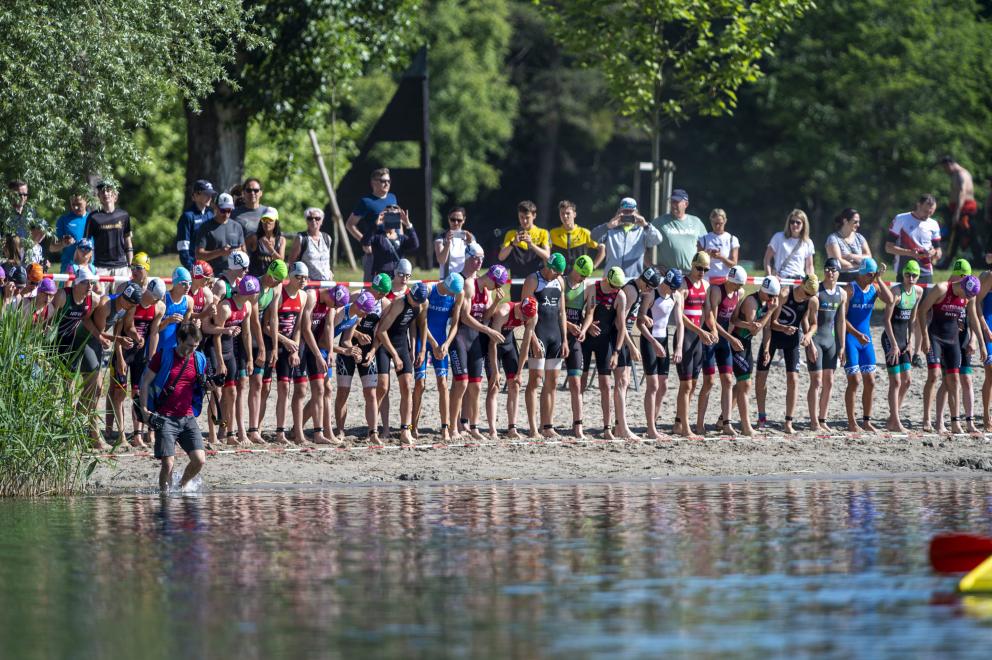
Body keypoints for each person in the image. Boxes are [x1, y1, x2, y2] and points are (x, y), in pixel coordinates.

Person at [139, 323, 208, 492]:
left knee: (199, 460)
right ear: (179, 340)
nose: (192, 349)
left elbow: (201, 385)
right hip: (165, 417)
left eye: (196, 346)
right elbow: (145, 382)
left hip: (187, 417)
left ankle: (181, 486)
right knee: (168, 463)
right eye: (189, 345)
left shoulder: (199, 359)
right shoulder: (163, 356)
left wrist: (210, 387)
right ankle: (165, 497)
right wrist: (143, 409)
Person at [918, 267, 983, 434]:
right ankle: (926, 419)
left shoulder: (968, 297)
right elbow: (922, 311)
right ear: (961, 285)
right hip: (935, 337)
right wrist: (924, 337)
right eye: (966, 295)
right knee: (934, 376)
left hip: (952, 340)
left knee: (954, 381)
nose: (966, 299)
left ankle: (955, 423)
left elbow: (973, 319)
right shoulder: (941, 288)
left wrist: (981, 343)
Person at [756, 273, 820, 434]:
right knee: (761, 377)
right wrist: (783, 329)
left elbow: (813, 324)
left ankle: (788, 421)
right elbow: (772, 323)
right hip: (774, 337)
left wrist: (809, 337)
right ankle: (761, 418)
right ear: (802, 284)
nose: (807, 297)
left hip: (792, 339)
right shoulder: (785, 294)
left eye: (811, 295)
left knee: (793, 379)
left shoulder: (812, 300)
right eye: (806, 293)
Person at [448, 263, 506, 439]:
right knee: (461, 384)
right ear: (491, 278)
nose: (497, 288)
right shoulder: (469, 285)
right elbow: (465, 317)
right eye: (497, 284)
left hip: (476, 340)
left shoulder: (487, 291)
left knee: (476, 386)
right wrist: (488, 330)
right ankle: (453, 427)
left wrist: (495, 302)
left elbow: (485, 316)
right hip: (461, 337)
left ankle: (474, 427)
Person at [110, 278, 167, 447]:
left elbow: (154, 333)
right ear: (147, 291)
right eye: (152, 297)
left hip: (139, 355)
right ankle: (121, 435)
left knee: (138, 394)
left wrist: (152, 358)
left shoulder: (159, 307)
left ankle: (137, 436)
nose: (154, 301)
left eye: (157, 299)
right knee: (119, 394)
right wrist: (119, 357)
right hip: (123, 352)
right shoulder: (133, 301)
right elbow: (119, 331)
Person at [577, 266, 633, 439]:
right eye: (614, 286)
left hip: (605, 343)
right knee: (581, 383)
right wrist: (586, 326)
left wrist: (616, 352)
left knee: (606, 385)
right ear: (608, 280)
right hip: (587, 341)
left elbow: (622, 327)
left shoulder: (620, 296)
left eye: (619, 287)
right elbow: (579, 313)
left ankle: (607, 427)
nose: (616, 289)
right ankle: (578, 424)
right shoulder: (592, 288)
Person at [886, 194, 941, 366]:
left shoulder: (933, 224)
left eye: (931, 212)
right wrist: (910, 253)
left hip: (925, 272)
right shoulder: (901, 219)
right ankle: (899, 346)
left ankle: (916, 353)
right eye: (925, 211)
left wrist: (933, 253)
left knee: (923, 313)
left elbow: (939, 252)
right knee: (903, 312)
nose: (928, 215)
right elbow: (888, 247)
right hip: (905, 271)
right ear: (918, 205)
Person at [843, 258, 894, 433]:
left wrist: (879, 279)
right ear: (861, 273)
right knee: (854, 381)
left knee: (870, 381)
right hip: (851, 339)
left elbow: (890, 300)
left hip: (866, 341)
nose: (872, 278)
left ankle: (866, 421)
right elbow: (841, 319)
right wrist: (857, 335)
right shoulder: (850, 289)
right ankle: (851, 422)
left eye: (874, 275)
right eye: (870, 275)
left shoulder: (874, 288)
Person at [521, 253, 568, 438]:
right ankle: (533, 428)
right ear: (548, 266)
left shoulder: (559, 282)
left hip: (555, 335)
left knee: (553, 382)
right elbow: (525, 314)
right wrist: (532, 339)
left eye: (560, 273)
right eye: (556, 272)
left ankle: (547, 426)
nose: (558, 276)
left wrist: (564, 339)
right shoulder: (533, 280)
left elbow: (562, 312)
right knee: (535, 380)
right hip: (538, 333)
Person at [207, 274, 258, 445]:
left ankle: (229, 433)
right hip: (217, 351)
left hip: (231, 352)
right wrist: (220, 361)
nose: (257, 296)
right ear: (248, 293)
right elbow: (216, 335)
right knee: (216, 393)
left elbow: (246, 334)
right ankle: (213, 434)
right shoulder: (226, 307)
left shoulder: (247, 306)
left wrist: (250, 358)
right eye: (255, 293)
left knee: (232, 393)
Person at [412, 273, 464, 441]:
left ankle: (445, 428)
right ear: (446, 285)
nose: (451, 295)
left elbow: (455, 324)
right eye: (450, 292)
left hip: (441, 340)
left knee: (443, 383)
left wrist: (447, 343)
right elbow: (421, 322)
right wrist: (433, 344)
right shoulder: (429, 289)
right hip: (424, 339)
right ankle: (413, 426)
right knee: (420, 384)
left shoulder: (458, 294)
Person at [376, 281, 429, 445]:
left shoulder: (422, 303)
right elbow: (381, 331)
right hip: (385, 344)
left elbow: (419, 324)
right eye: (414, 300)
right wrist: (395, 355)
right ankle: (377, 429)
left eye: (418, 302)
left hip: (402, 344)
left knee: (407, 386)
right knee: (383, 387)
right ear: (409, 294)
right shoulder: (399, 303)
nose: (415, 304)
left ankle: (405, 430)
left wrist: (418, 349)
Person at [699, 265, 747, 435]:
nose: (739, 288)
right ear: (729, 280)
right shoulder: (716, 291)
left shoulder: (739, 293)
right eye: (737, 284)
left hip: (724, 340)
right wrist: (731, 338)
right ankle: (699, 423)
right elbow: (712, 320)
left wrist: (746, 326)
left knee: (727, 380)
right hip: (711, 338)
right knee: (709, 381)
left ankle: (726, 423)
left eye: (741, 285)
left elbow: (733, 319)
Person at [730, 276, 780, 436]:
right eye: (770, 296)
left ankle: (724, 418)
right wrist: (770, 311)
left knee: (741, 384)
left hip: (746, 344)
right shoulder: (752, 302)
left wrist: (766, 349)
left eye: (775, 296)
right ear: (763, 292)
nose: (773, 299)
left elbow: (767, 329)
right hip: (737, 343)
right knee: (745, 384)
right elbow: (755, 329)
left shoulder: (767, 302)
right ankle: (746, 427)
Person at [637, 269, 684, 438]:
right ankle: (651, 429)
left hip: (663, 340)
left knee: (663, 386)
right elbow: (640, 321)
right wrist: (654, 342)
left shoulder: (676, 296)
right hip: (649, 340)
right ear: (666, 283)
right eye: (672, 288)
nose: (674, 291)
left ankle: (653, 423)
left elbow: (680, 323)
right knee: (653, 385)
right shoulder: (652, 294)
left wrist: (678, 347)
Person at [674, 252, 717, 436]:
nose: (702, 272)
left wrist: (713, 329)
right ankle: (685, 428)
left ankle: (679, 423)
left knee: (692, 383)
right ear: (692, 265)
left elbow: (708, 312)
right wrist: (700, 331)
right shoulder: (683, 285)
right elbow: (680, 316)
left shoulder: (705, 285)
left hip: (698, 339)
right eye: (699, 268)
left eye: (706, 270)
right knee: (685, 385)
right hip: (685, 337)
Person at [485, 296, 538, 440]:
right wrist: (495, 371)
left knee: (515, 385)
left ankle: (512, 428)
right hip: (493, 345)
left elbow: (525, 344)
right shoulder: (503, 312)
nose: (524, 319)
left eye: (527, 317)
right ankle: (492, 430)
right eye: (523, 316)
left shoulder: (532, 315)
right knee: (494, 386)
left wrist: (519, 372)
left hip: (509, 344)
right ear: (519, 307)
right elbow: (492, 343)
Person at [335, 289, 384, 445]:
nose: (382, 295)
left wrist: (372, 352)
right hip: (346, 350)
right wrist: (356, 338)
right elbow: (345, 334)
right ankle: (340, 430)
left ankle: (373, 433)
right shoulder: (355, 298)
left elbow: (381, 333)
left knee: (371, 393)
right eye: (381, 292)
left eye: (385, 293)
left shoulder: (385, 303)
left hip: (366, 352)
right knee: (343, 392)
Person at [880, 260, 923, 432]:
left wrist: (910, 341)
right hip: (890, 338)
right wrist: (893, 344)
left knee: (908, 381)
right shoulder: (896, 292)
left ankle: (893, 417)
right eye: (908, 274)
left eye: (914, 275)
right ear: (903, 275)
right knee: (896, 381)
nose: (911, 278)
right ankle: (896, 421)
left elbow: (912, 320)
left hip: (904, 340)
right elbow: (886, 320)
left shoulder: (918, 292)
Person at [807, 258, 848, 432]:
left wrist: (842, 345)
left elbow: (841, 321)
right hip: (816, 340)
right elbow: (806, 319)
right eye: (827, 269)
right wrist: (809, 343)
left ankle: (823, 419)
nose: (830, 272)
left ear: (838, 272)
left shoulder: (842, 293)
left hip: (830, 341)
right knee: (816, 381)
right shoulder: (816, 291)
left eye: (833, 269)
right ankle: (814, 421)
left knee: (829, 382)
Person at [346, 168, 399, 282]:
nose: (387, 184)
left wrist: (400, 240)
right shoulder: (366, 201)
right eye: (383, 181)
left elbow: (397, 223)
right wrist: (365, 242)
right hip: (375, 253)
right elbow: (350, 224)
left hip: (392, 250)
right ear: (373, 182)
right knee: (372, 288)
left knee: (395, 287)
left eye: (389, 181)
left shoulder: (392, 197)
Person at [590, 197, 662, 278]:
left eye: (630, 211)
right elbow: (593, 236)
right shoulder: (610, 229)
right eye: (625, 211)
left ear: (636, 212)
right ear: (619, 211)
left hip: (633, 279)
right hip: (611, 278)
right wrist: (608, 226)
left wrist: (646, 225)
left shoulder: (642, 230)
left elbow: (658, 239)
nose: (627, 214)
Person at [563, 255, 593, 438]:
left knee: (576, 382)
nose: (583, 278)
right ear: (575, 269)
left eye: (586, 276)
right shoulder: (561, 282)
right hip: (559, 333)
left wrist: (585, 329)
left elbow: (589, 313)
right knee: (549, 381)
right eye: (582, 275)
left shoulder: (588, 287)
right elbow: (555, 311)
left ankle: (578, 425)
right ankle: (545, 424)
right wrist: (568, 325)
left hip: (575, 337)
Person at [499, 200, 551, 298]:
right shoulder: (511, 234)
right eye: (521, 217)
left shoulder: (543, 233)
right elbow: (501, 257)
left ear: (534, 215)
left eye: (527, 217)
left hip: (537, 282)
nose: (524, 221)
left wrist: (531, 244)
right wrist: (512, 244)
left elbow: (547, 256)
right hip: (517, 282)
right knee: (517, 307)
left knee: (536, 307)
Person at [84, 179, 133, 280]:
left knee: (123, 291)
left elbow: (128, 241)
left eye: (108, 190)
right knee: (99, 292)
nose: (105, 193)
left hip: (121, 267)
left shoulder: (124, 215)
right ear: (99, 196)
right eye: (102, 191)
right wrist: (87, 266)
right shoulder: (93, 217)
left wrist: (130, 266)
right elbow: (86, 244)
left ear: (115, 195)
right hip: (100, 267)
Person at [937, 156, 980, 268]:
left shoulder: (962, 174)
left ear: (949, 164)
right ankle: (946, 263)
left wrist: (957, 212)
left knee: (969, 236)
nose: (946, 171)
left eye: (945, 168)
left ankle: (979, 261)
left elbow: (962, 193)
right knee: (955, 237)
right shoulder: (956, 175)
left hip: (964, 210)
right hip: (958, 209)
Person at [652, 189, 707, 274]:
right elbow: (643, 242)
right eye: (672, 202)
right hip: (668, 275)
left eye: (677, 202)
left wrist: (701, 268)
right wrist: (652, 266)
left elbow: (706, 247)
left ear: (686, 204)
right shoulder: (659, 222)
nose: (673, 205)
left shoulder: (696, 222)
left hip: (691, 275)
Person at [363, 205, 419, 279]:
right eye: (389, 216)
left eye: (395, 217)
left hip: (397, 278)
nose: (392, 219)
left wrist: (408, 224)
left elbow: (415, 244)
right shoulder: (377, 237)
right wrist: (375, 225)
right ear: (384, 218)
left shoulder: (401, 238)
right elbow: (365, 242)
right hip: (382, 278)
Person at [196, 192, 246, 276]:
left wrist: (239, 252)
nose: (226, 214)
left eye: (229, 210)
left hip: (234, 276)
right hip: (212, 276)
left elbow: (244, 251)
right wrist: (220, 252)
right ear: (215, 207)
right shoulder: (205, 227)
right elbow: (199, 255)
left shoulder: (237, 226)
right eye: (223, 210)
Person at [550, 200, 604, 272]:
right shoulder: (553, 233)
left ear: (574, 214)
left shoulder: (584, 233)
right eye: (562, 213)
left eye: (568, 213)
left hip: (578, 276)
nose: (565, 216)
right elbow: (546, 254)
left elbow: (602, 248)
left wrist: (593, 267)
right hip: (559, 275)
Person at [176, 180, 216, 270]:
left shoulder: (211, 214)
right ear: (195, 195)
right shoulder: (187, 217)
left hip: (210, 267)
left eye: (211, 194)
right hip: (194, 267)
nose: (210, 197)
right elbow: (183, 248)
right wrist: (192, 268)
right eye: (206, 194)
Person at [764, 209, 815, 281]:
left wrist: (810, 281)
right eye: (792, 222)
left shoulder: (808, 242)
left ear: (804, 225)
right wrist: (770, 278)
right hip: (781, 279)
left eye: (798, 222)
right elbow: (767, 259)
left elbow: (809, 266)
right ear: (789, 223)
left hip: (799, 280)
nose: (795, 224)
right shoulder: (778, 237)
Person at [825, 208, 872, 283]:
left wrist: (851, 256)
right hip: (842, 280)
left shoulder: (860, 237)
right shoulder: (833, 239)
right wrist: (860, 265)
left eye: (858, 222)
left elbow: (869, 258)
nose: (858, 225)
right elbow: (838, 263)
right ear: (845, 221)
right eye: (855, 222)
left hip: (860, 280)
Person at [287, 207, 333, 281]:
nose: (313, 220)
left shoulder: (327, 238)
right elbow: (291, 261)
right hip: (309, 283)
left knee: (342, 288)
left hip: (327, 282)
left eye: (317, 218)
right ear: (306, 221)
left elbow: (326, 261)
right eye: (310, 218)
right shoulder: (301, 238)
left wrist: (330, 272)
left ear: (322, 221)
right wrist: (299, 277)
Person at [2, 179, 42, 263]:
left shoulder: (31, 212)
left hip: (29, 260)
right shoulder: (3, 214)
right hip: (8, 261)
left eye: (25, 194)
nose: (23, 197)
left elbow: (41, 233)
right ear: (10, 194)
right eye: (19, 194)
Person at [697, 209, 740, 285]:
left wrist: (721, 257)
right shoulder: (703, 239)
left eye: (720, 223)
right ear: (711, 221)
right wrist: (707, 255)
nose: (717, 226)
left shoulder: (732, 239)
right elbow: (698, 263)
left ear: (725, 221)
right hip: (707, 280)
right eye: (715, 223)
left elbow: (733, 264)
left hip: (725, 280)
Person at [51, 192, 89, 274]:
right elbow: (52, 248)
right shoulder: (63, 220)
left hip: (89, 268)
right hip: (69, 268)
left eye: (78, 204)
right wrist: (63, 244)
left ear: (86, 201)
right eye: (73, 204)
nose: (75, 207)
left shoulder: (93, 219)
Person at [434, 207, 475, 279]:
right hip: (448, 279)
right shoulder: (441, 237)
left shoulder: (469, 236)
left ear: (464, 220)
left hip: (466, 278)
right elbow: (441, 260)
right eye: (453, 220)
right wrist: (447, 243)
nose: (456, 223)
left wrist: (470, 244)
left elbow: (476, 261)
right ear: (448, 219)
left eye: (459, 220)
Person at [247, 208, 286, 278]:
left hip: (272, 279)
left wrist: (269, 247)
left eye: (270, 220)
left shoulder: (281, 240)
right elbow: (243, 252)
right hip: (255, 279)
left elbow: (281, 262)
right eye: (264, 219)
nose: (267, 222)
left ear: (276, 222)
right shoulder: (254, 238)